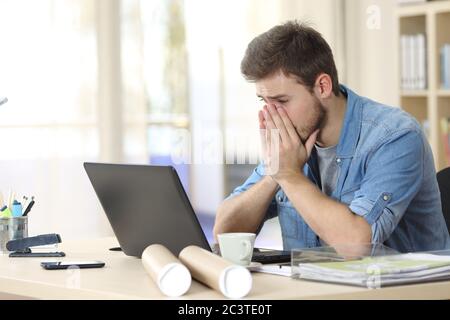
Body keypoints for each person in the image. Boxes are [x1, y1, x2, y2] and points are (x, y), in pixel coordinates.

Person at [213, 21, 450, 253]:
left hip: (400, 291)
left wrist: (289, 175)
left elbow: (356, 245)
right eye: (265, 102)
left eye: (282, 101)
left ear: (323, 86)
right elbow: (223, 233)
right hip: (316, 290)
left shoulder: (396, 136)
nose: (272, 115)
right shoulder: (290, 149)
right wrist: (275, 174)